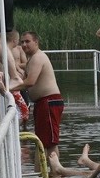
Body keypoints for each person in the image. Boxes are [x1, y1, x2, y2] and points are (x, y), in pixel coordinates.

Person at [11, 31, 64, 160]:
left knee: (49, 143)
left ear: (36, 42)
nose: (24, 44)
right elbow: (23, 79)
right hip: (42, 103)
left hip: (49, 101)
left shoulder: (38, 57)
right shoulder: (31, 60)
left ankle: (55, 175)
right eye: (22, 42)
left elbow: (30, 82)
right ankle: (44, 174)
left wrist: (8, 89)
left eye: (27, 41)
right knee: (42, 142)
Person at [0, 30, 29, 127]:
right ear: (15, 40)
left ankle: (19, 129)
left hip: (12, 83)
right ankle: (17, 129)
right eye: (18, 40)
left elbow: (14, 64)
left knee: (22, 109)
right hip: (10, 84)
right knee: (23, 111)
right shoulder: (3, 49)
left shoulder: (10, 50)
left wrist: (17, 69)